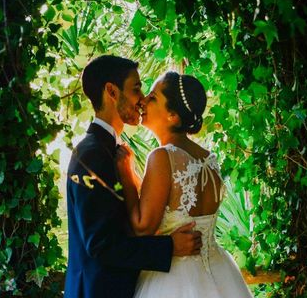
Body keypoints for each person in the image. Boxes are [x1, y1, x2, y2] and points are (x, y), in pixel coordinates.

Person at [65, 56, 203, 298]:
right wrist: (169, 247)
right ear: (112, 91)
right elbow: (101, 245)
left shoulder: (111, 150)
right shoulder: (94, 154)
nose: (142, 99)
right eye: (136, 89)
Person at [115, 71, 253, 297]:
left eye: (153, 97)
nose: (144, 100)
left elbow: (142, 227)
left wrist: (126, 173)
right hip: (219, 273)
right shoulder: (209, 159)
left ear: (172, 116)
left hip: (173, 279)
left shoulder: (162, 157)